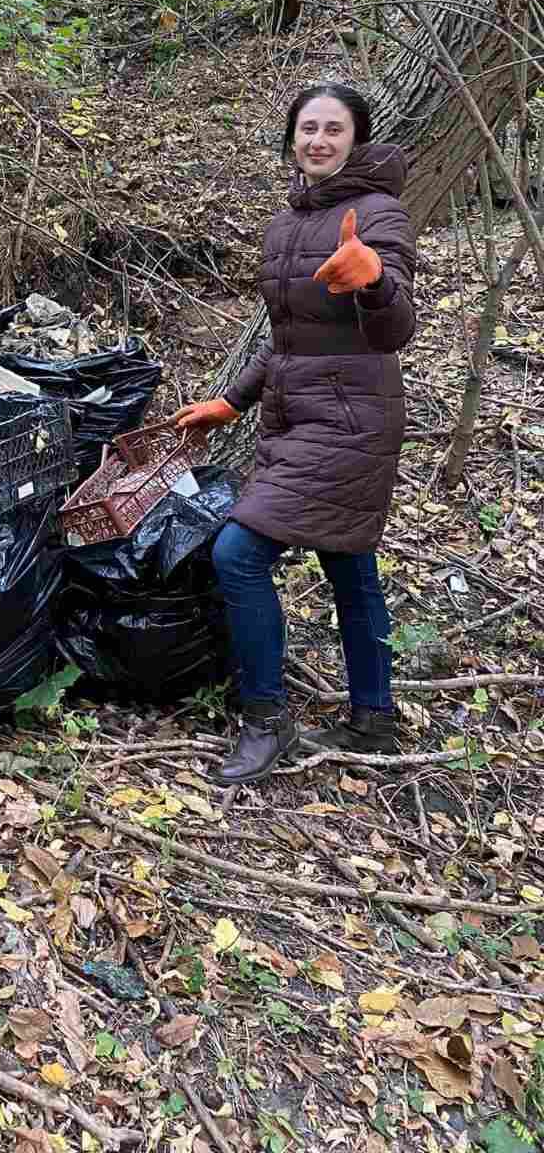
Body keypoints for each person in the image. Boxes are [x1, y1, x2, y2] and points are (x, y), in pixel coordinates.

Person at [172, 83, 416, 786]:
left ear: (356, 139)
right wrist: (231, 402)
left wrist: (375, 280)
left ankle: (266, 719)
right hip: (294, 415)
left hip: (350, 419)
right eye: (308, 127)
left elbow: (396, 327)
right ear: (292, 138)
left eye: (334, 129)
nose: (318, 140)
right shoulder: (285, 223)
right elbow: (285, 339)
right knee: (348, 561)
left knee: (238, 554)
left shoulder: (379, 212)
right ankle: (372, 718)